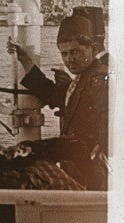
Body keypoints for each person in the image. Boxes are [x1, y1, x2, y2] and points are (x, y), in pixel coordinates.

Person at [6, 12, 109, 191]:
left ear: (92, 49)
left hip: (96, 176)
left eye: (76, 51)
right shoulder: (80, 81)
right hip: (82, 174)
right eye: (65, 54)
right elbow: (52, 94)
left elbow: (110, 126)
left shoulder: (99, 79)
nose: (70, 59)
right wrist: (24, 58)